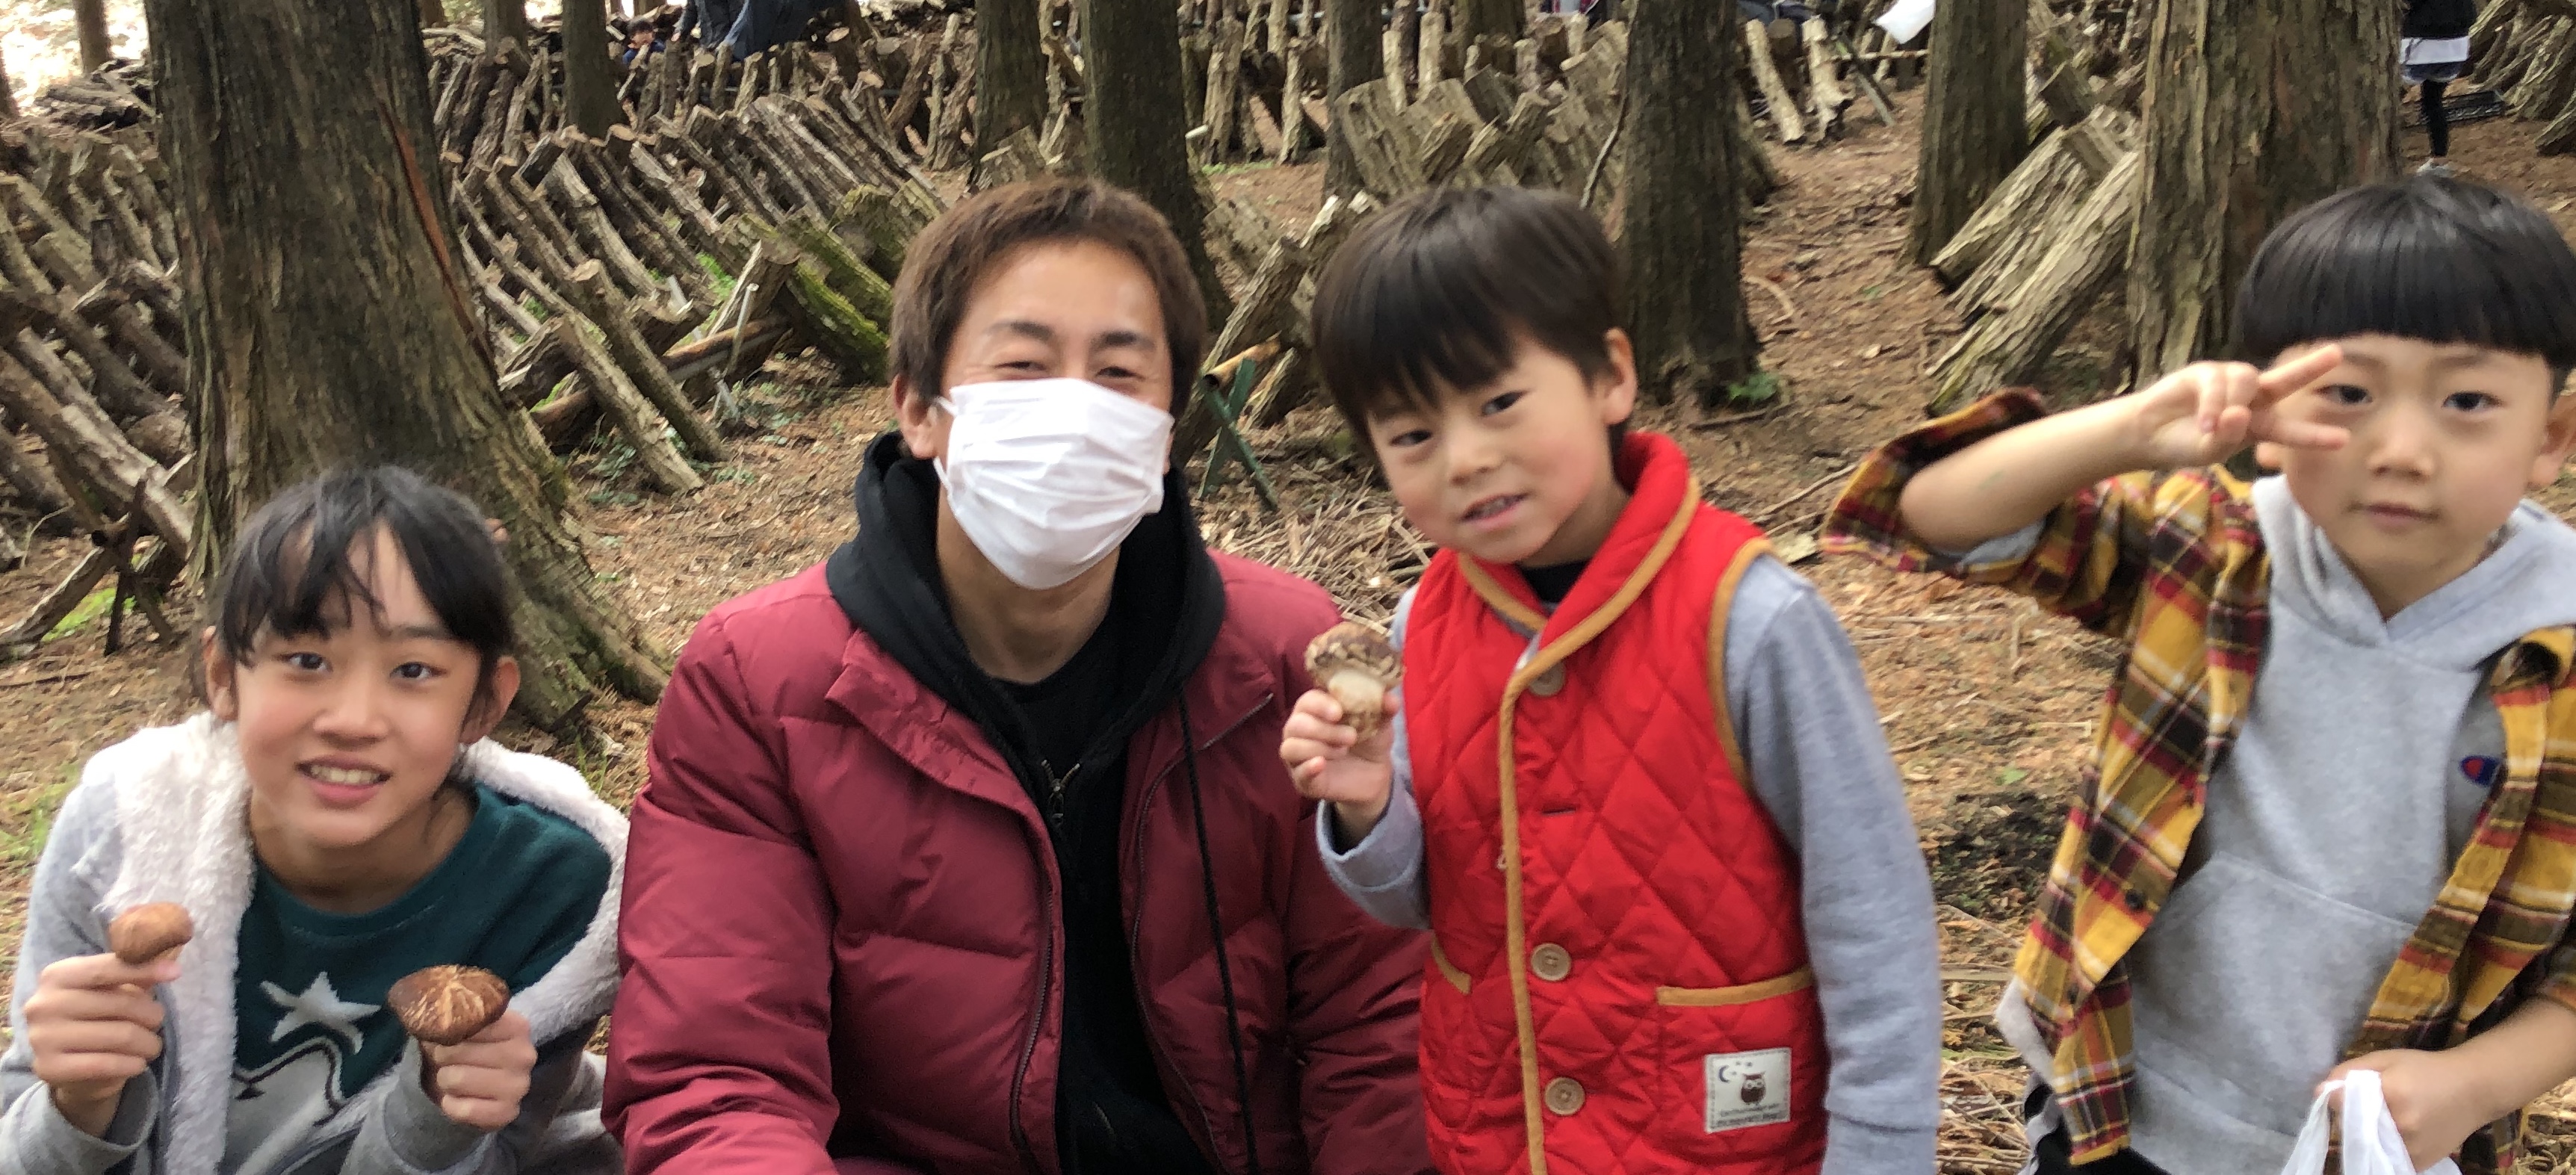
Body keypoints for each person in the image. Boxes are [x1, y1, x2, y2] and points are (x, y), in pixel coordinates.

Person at [604, 178, 1432, 1175]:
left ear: (1167, 432)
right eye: (1025, 366)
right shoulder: (759, 686)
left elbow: (1380, 1026)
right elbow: (716, 1075)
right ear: (919, 410)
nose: (1075, 410)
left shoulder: (1281, 658)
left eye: (1119, 373)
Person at [1822, 176, 2576, 1175]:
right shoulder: (2209, 549)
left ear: (2550, 438)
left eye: (2466, 401)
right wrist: (2131, 428)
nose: (2400, 450)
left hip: (2376, 1147)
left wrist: (2478, 1083)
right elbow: (1929, 512)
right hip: (2119, 1103)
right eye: (2348, 394)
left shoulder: (2561, 654)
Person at [1282, 185, 1943, 1175]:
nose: (1466, 458)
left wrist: (1882, 1154)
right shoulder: (1426, 623)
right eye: (1413, 434)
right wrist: (1368, 805)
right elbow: (1428, 901)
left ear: (1610, 377)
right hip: (1503, 1139)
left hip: (1724, 1143)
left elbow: (1873, 917)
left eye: (1499, 403)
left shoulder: (1751, 620)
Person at [0, 468, 625, 1175]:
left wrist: (435, 1121)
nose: (353, 720)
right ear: (223, 676)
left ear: (484, 702)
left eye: (413, 670)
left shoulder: (556, 887)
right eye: (306, 659)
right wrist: (78, 1105)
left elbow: (504, 1155)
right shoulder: (120, 830)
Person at [2406, 0, 2477, 176]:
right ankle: (2438, 160)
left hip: (2421, 44)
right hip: (2456, 47)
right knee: (2433, 102)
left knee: (2390, 95)